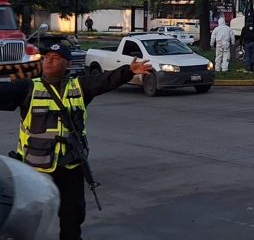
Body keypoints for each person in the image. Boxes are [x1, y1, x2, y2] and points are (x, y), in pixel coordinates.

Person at [0, 43, 152, 240]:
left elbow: (104, 80)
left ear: (68, 64)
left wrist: (128, 71)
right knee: (28, 218)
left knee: (72, 217)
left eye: (55, 58)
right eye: (45, 58)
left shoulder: (80, 87)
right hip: (35, 170)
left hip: (70, 167)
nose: (48, 62)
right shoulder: (27, 88)